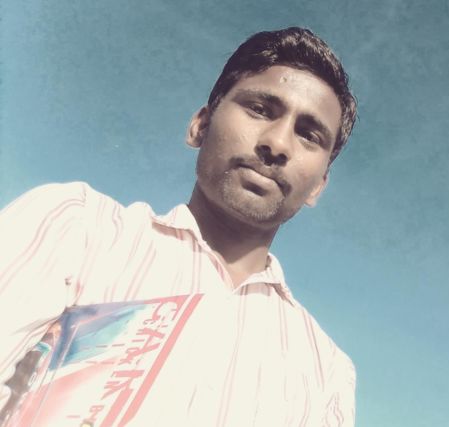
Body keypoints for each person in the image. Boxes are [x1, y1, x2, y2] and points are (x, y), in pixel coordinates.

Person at [0, 27, 357, 426]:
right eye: (259, 109)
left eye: (308, 135)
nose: (277, 144)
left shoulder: (326, 371)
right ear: (200, 125)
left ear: (318, 186)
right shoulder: (79, 228)